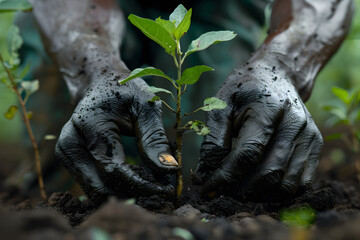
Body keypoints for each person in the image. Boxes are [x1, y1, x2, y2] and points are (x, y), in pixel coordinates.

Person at [28, 0, 353, 204]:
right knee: (79, 153)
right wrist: (93, 69)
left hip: (217, 8)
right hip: (78, 8)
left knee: (217, 167)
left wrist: (281, 66)